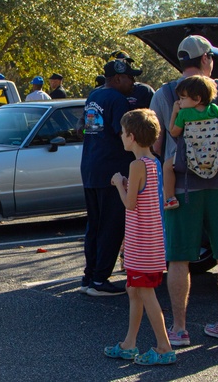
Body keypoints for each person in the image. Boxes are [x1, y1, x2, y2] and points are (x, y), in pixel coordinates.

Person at [149, 34, 218, 345]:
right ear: (205, 59)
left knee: (179, 258)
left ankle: (178, 328)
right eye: (211, 57)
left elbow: (158, 144)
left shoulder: (165, 95)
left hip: (182, 186)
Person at [104, 109, 176, 366]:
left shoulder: (136, 165)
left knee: (145, 293)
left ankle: (164, 346)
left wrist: (118, 183)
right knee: (133, 290)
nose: (121, 137)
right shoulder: (154, 162)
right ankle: (129, 343)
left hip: (142, 244)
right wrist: (127, 184)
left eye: (123, 133)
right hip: (150, 241)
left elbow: (131, 204)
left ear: (131, 136)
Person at [78, 57, 142, 296]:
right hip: (111, 170)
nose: (133, 82)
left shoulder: (94, 96)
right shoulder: (118, 99)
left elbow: (86, 128)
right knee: (111, 226)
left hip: (91, 167)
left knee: (94, 225)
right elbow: (124, 133)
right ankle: (100, 280)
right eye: (129, 77)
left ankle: (89, 276)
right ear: (117, 78)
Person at [163, 75, 218, 211]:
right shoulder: (214, 109)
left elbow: (173, 132)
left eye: (183, 98)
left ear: (197, 99)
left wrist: (174, 113)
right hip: (216, 157)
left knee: (167, 166)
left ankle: (170, 198)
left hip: (190, 157)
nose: (180, 102)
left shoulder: (184, 114)